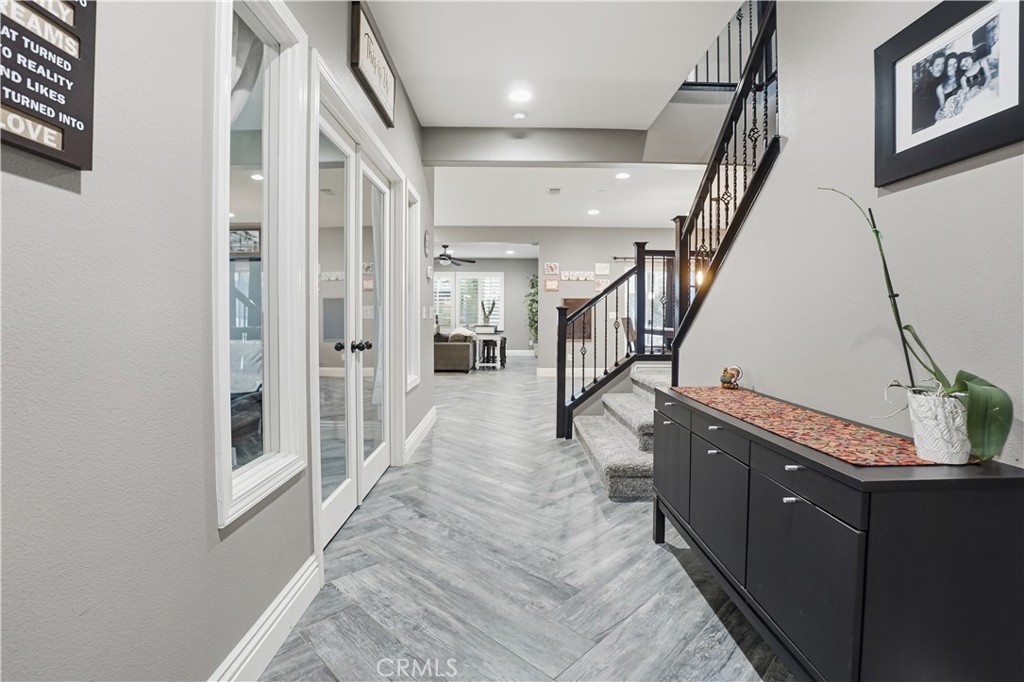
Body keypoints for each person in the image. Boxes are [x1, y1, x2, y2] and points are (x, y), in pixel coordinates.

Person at [912, 52, 947, 131]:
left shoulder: (942, 79)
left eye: (942, 64)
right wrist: (933, 115)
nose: (940, 68)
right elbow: (915, 118)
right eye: (937, 65)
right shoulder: (924, 86)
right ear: (931, 69)